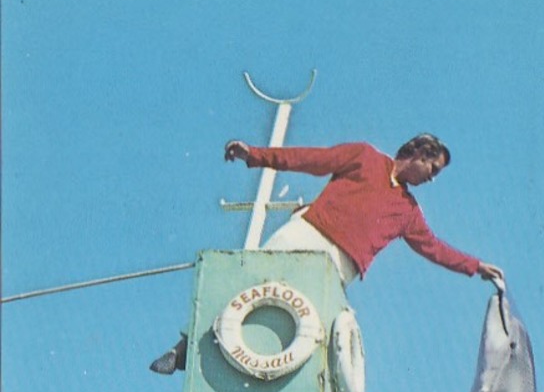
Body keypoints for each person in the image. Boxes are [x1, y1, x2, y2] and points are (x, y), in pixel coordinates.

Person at [150, 133, 504, 374]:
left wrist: (475, 267)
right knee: (244, 281)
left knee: (309, 334)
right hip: (307, 233)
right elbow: (311, 160)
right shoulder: (365, 157)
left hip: (338, 267)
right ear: (418, 155)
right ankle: (181, 349)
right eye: (434, 168)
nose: (433, 178)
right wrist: (255, 155)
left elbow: (434, 248)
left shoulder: (408, 211)